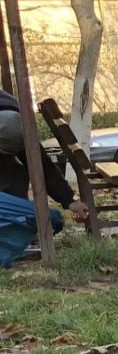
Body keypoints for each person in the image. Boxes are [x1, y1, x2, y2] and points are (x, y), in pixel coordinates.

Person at [0, 89, 88, 267]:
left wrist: (69, 200)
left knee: (15, 172)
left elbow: (42, 165)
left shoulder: (18, 123)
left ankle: (16, 229)